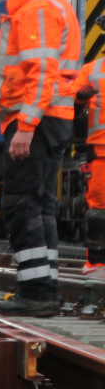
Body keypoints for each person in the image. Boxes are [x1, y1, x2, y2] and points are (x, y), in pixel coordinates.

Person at [0, 0, 81, 315]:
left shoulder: (37, 7)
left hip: (36, 121)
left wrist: (25, 126)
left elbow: (41, 71)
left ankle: (36, 293)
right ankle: (45, 288)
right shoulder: (47, 2)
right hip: (51, 118)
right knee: (41, 205)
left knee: (21, 204)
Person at [71, 24, 104, 276]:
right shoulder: (91, 71)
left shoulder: (92, 70)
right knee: (99, 209)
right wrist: (79, 98)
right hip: (101, 150)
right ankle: (97, 263)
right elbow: (70, 106)